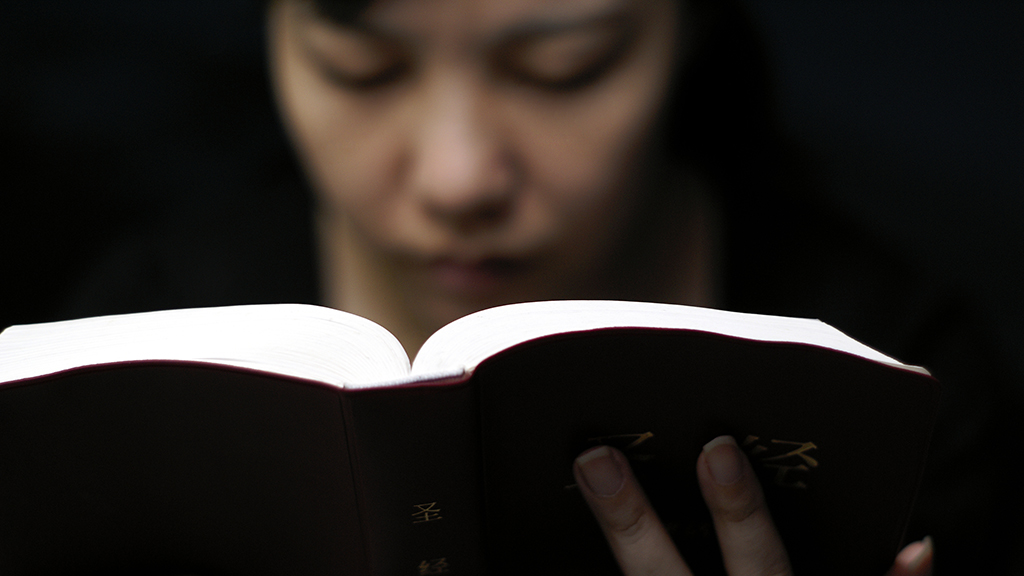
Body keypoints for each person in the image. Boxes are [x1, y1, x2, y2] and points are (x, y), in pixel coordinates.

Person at [56, 0, 1018, 573]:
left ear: (690, 30)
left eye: (564, 70)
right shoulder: (128, 333)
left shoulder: (902, 377)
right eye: (361, 68)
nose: (457, 177)